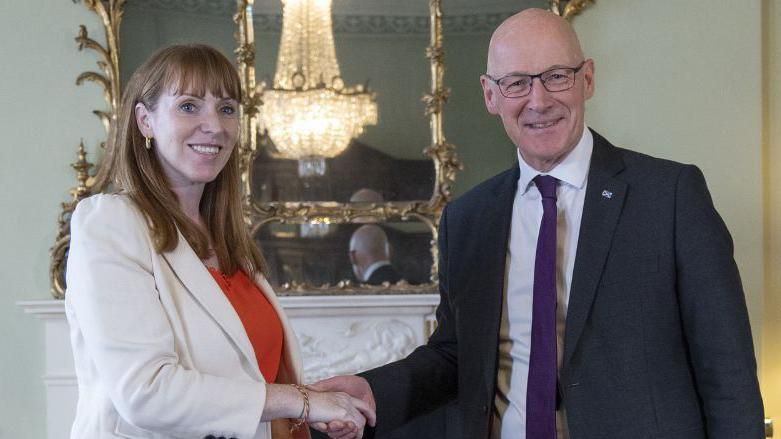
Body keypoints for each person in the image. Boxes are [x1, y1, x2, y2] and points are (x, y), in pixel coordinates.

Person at [311, 8, 764, 439]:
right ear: (490, 94)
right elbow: (456, 356)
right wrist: (374, 391)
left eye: (556, 76)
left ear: (587, 78)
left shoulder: (669, 196)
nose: (539, 100)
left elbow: (727, 367)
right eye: (517, 83)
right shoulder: (467, 219)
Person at [65, 44, 374, 439]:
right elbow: (146, 391)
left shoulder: (228, 237)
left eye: (227, 109)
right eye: (189, 106)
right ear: (145, 120)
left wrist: (315, 400)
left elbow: (243, 375)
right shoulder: (111, 221)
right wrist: (300, 401)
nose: (214, 125)